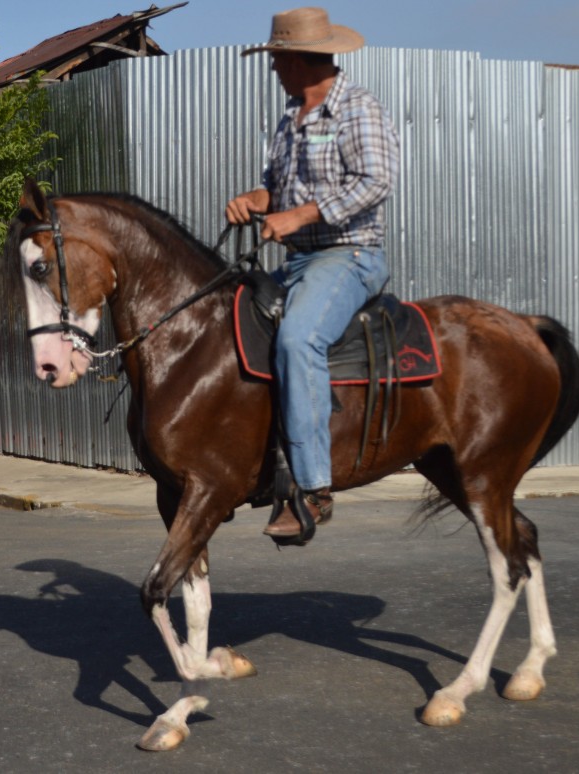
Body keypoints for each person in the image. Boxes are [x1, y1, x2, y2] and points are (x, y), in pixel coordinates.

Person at [226, 7, 400, 539]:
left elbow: (376, 180)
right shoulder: (288, 118)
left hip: (350, 255)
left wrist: (300, 215)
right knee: (231, 327)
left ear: (299, 59)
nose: (273, 69)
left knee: (299, 338)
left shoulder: (357, 110)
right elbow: (277, 191)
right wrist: (256, 201)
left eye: (277, 59)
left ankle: (313, 487)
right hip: (298, 261)